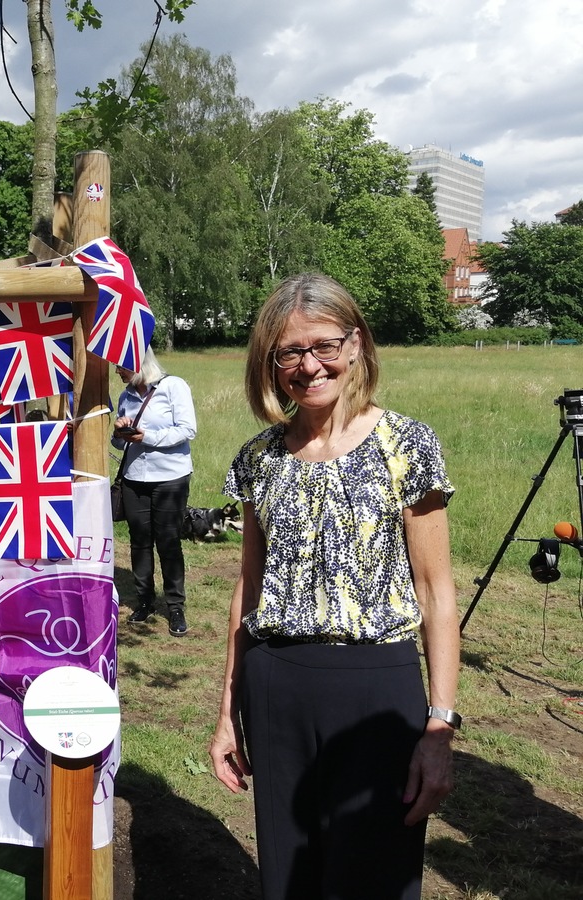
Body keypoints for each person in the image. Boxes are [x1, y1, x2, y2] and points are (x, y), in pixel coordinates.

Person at [208, 273, 459, 900]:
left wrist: (440, 728)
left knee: (373, 875)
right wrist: (226, 714)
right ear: (269, 363)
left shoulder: (407, 446)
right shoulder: (259, 459)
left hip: (377, 691)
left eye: (324, 345)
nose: (309, 365)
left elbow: (436, 592)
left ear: (356, 345)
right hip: (276, 684)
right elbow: (249, 589)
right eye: (288, 352)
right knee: (290, 877)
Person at [111, 348, 197, 636]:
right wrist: (120, 431)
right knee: (139, 542)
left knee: (169, 542)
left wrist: (147, 436)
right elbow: (120, 445)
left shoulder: (174, 386)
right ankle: (144, 600)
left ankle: (175, 606)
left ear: (138, 364)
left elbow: (187, 430)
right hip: (135, 478)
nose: (117, 372)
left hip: (170, 478)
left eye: (120, 366)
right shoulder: (125, 397)